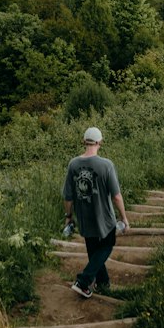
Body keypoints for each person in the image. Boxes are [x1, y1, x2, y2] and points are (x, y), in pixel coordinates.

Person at [62, 126, 130, 299]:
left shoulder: (73, 164)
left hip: (84, 217)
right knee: (107, 245)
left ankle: (103, 283)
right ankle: (83, 281)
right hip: (104, 217)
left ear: (84, 141)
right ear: (100, 142)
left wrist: (69, 218)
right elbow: (116, 196)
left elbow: (68, 197)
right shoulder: (106, 165)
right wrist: (124, 217)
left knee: (93, 251)